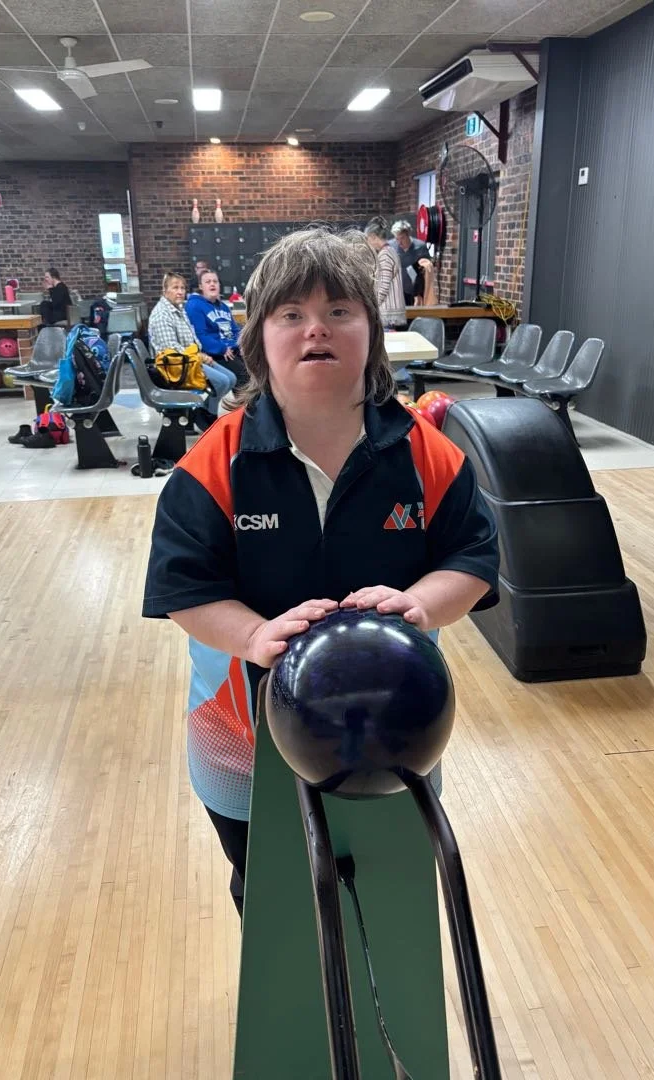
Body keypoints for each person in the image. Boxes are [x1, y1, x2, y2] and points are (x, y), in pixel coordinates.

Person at [142, 228, 499, 917]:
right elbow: (185, 591)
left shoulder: (429, 454)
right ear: (259, 338)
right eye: (291, 314)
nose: (317, 330)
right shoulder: (213, 464)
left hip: (399, 736)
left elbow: (475, 560)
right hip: (243, 745)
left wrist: (422, 603)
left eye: (340, 310)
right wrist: (252, 637)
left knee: (388, 903)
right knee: (274, 900)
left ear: (371, 330)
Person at [148, 272, 237, 428]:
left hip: (191, 358)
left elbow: (192, 340)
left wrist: (200, 355)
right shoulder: (162, 315)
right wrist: (201, 357)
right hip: (175, 366)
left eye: (182, 288)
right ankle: (208, 415)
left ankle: (203, 411)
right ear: (165, 290)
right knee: (222, 381)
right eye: (175, 288)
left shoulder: (179, 309)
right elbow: (171, 350)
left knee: (231, 378)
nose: (180, 291)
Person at [184, 269, 247, 385]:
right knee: (245, 377)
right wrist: (221, 348)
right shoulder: (194, 306)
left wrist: (241, 343)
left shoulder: (224, 307)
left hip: (233, 349)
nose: (212, 284)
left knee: (257, 369)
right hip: (216, 354)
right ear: (201, 286)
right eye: (208, 282)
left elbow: (235, 329)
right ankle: (246, 403)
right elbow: (200, 335)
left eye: (215, 281)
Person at [364, 220, 407, 329]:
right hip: (391, 315)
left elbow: (382, 287)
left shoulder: (385, 255)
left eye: (367, 239)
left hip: (388, 316)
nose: (367, 243)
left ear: (373, 237)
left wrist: (369, 308)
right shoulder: (390, 251)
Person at [390, 220, 433, 307]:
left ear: (408, 235)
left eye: (402, 238)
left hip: (415, 291)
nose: (399, 242)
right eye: (397, 239)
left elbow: (427, 267)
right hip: (397, 290)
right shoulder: (391, 246)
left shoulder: (420, 247)